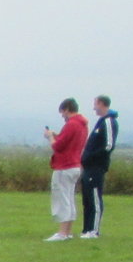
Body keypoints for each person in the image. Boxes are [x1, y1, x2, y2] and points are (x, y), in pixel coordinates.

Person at [44, 97, 87, 241]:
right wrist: (58, 135)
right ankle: (67, 231)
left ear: (67, 109)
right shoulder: (82, 124)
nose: (62, 116)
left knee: (62, 199)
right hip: (75, 165)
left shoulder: (71, 124)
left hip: (65, 166)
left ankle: (62, 233)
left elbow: (58, 146)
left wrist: (50, 137)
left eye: (62, 112)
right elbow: (68, 141)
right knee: (69, 198)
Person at [81, 95, 118, 238]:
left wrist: (91, 157)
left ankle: (94, 230)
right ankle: (86, 229)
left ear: (102, 104)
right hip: (88, 167)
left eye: (95, 104)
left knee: (95, 198)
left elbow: (108, 145)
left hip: (97, 167)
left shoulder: (109, 122)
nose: (93, 108)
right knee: (87, 198)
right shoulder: (100, 122)